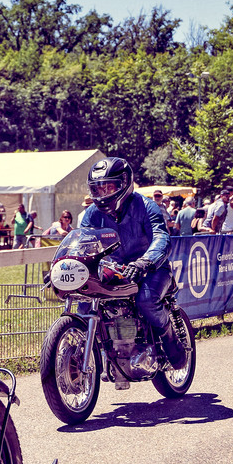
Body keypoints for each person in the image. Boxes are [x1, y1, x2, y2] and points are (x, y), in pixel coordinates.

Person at [79, 156, 188, 372]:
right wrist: (68, 264)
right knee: (84, 303)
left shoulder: (147, 207)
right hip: (114, 270)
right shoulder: (92, 214)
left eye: (108, 187)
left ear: (124, 184)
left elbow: (161, 238)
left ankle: (170, 340)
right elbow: (80, 240)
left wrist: (145, 262)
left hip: (152, 268)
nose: (102, 194)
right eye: (97, 189)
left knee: (146, 300)